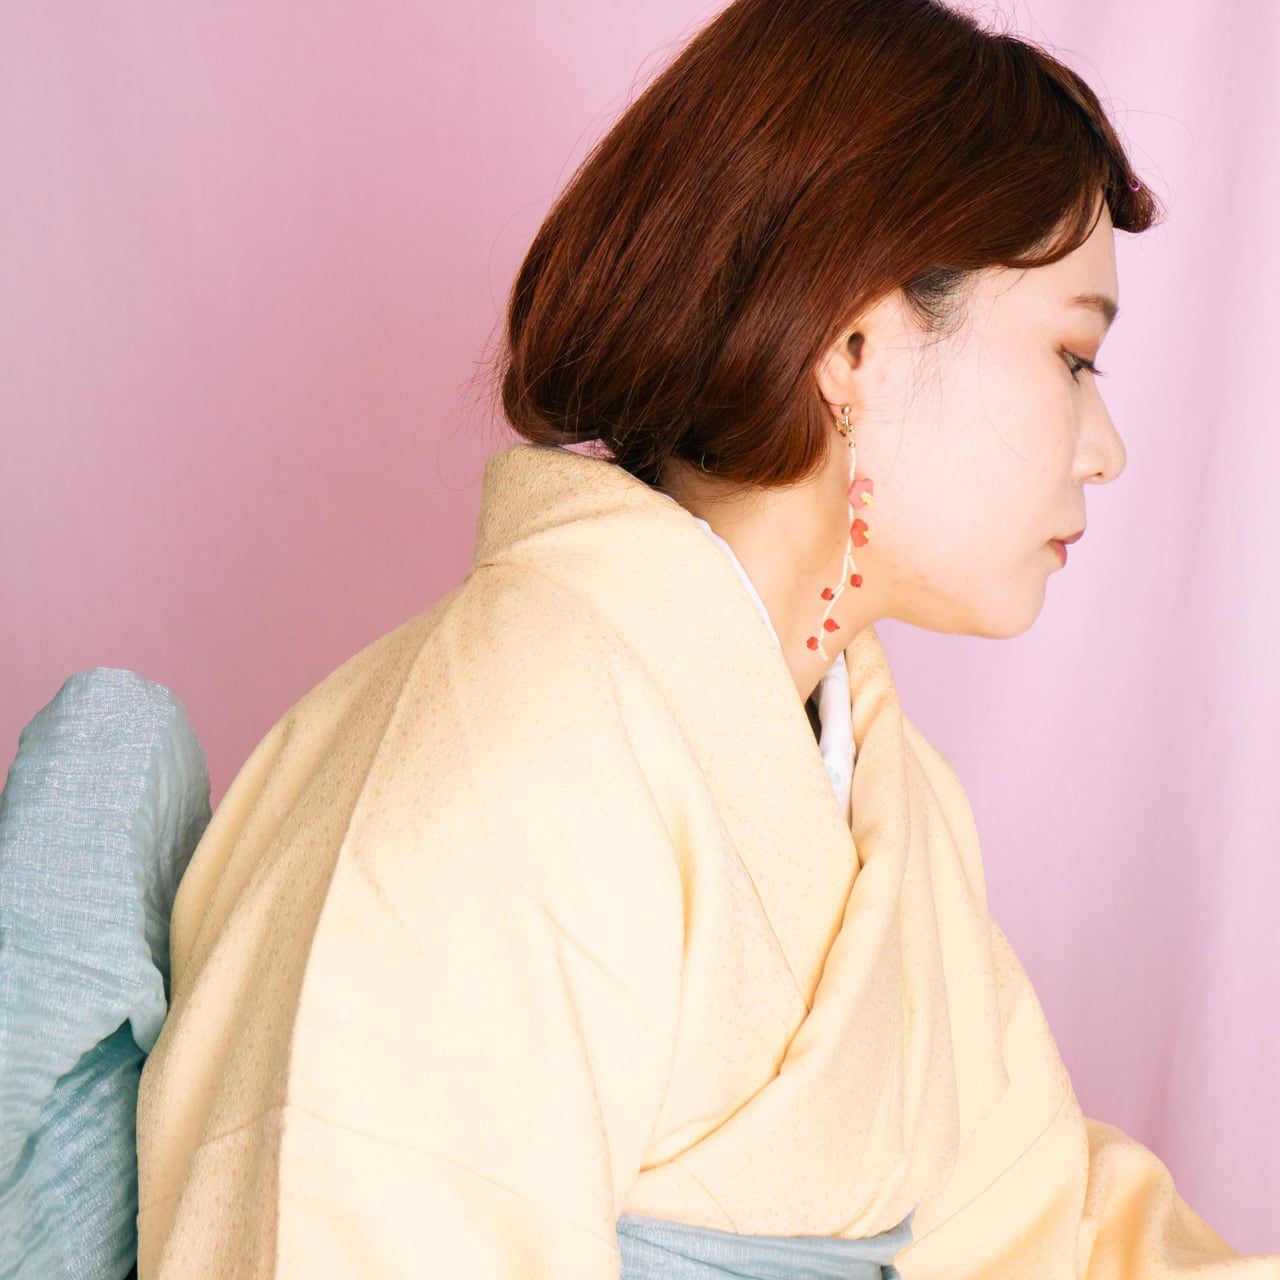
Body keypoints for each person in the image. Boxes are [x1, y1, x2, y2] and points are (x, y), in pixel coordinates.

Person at [135, 0, 1279, 1276]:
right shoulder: (509, 746)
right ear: (854, 342)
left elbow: (1045, 1232)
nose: (1102, 450)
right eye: (1071, 356)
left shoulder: (893, 805)